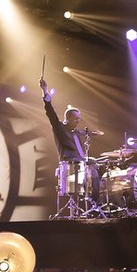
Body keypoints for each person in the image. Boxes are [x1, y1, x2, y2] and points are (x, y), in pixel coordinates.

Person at [39, 76, 101, 205]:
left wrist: (89, 158)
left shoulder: (76, 133)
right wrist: (45, 91)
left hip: (80, 162)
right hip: (70, 164)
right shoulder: (60, 128)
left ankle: (98, 203)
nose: (78, 121)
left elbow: (83, 138)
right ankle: (94, 202)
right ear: (68, 118)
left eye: (79, 119)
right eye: (76, 119)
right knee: (91, 170)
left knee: (97, 167)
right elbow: (50, 112)